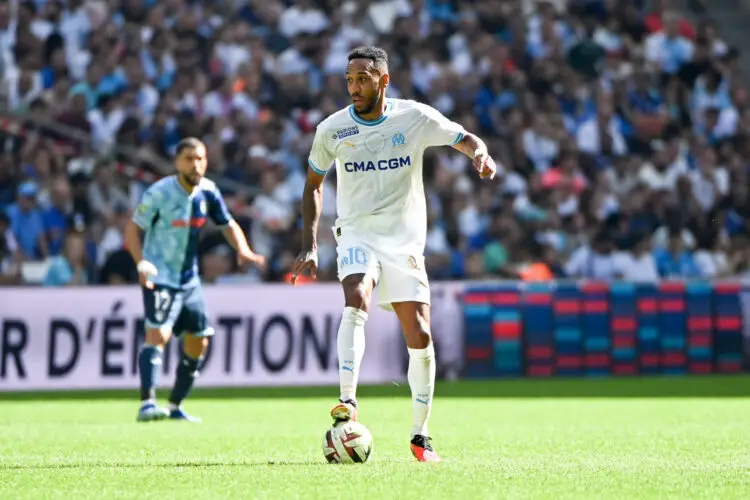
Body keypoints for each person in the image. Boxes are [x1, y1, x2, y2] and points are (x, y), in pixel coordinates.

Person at [291, 46, 497, 462]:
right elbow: (313, 183)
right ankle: (347, 401)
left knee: (419, 332)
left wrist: (480, 153)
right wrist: (310, 245)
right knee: (356, 295)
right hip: (356, 232)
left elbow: (463, 138)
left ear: (384, 80)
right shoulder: (332, 129)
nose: (354, 87)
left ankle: (421, 437)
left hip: (403, 240)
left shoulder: (414, 118)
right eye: (349, 80)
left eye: (362, 79)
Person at [124, 137, 265, 423]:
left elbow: (228, 223)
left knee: (199, 341)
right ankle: (147, 403)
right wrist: (141, 262)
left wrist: (244, 251)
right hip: (160, 276)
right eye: (188, 158)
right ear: (177, 163)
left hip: (189, 280)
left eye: (200, 158)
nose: (195, 164)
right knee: (158, 335)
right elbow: (132, 230)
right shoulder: (159, 193)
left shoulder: (209, 192)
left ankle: (175, 405)